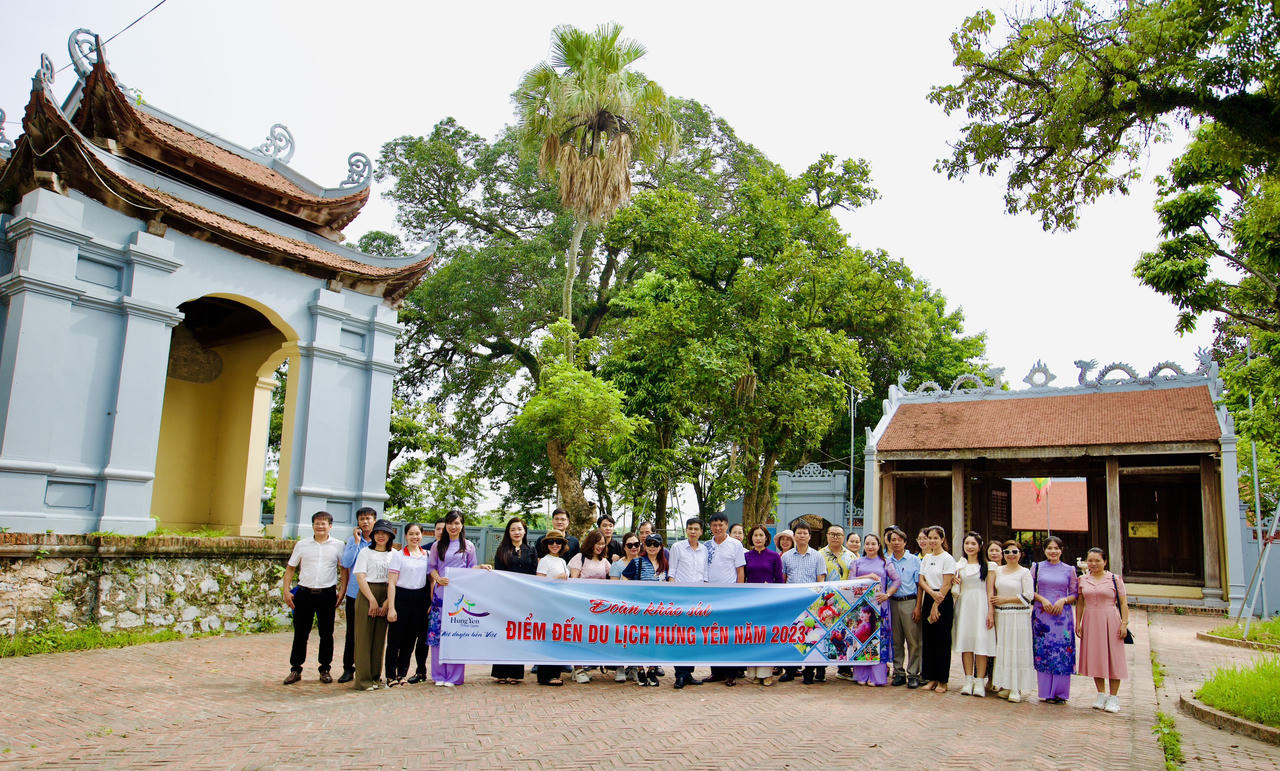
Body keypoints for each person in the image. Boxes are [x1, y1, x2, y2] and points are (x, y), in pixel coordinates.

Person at [281, 510, 345, 685]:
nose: (320, 526)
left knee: (326, 634)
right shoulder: (302, 544)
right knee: (300, 633)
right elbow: (291, 568)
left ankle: (325, 669)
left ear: (330, 526)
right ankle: (295, 669)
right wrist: (286, 591)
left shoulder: (338, 545)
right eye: (317, 523)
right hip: (304, 594)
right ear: (313, 525)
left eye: (324, 523)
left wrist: (342, 591)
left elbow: (343, 570)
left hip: (327, 594)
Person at [426, 510, 480, 687]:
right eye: (450, 523)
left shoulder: (468, 546)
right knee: (437, 635)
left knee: (456, 634)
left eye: (457, 523)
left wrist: (482, 568)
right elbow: (431, 568)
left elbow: (472, 568)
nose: (453, 526)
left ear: (462, 525)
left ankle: (455, 676)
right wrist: (438, 578)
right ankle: (438, 675)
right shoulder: (437, 545)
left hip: (459, 597)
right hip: (441, 595)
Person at [1077, 547, 1129, 713]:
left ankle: (1113, 698)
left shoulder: (1114, 579)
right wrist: (1078, 623)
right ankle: (1101, 694)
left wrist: (1124, 624)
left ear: (1105, 561)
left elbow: (1123, 603)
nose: (1094, 564)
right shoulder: (1083, 579)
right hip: (1090, 620)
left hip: (1110, 620)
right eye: (1090, 561)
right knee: (1095, 657)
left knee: (1114, 658)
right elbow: (1080, 602)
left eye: (1097, 560)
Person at [1031, 536, 1078, 704]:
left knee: (1062, 651)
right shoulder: (1037, 567)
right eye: (1049, 548)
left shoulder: (1069, 569)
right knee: (1043, 651)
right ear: (1044, 550)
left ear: (1061, 550)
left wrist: (1063, 600)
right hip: (1041, 616)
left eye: (1056, 548)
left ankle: (1060, 693)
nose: (1053, 551)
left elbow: (1075, 593)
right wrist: (1042, 599)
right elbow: (1028, 589)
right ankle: (1046, 692)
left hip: (1062, 616)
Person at [989, 540, 1036, 703]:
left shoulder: (1024, 572)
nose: (1011, 555)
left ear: (1020, 554)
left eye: (1014, 552)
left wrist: (1005, 599)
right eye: (1007, 552)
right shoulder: (998, 571)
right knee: (1004, 650)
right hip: (1001, 616)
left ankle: (1016, 687)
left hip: (1018, 616)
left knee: (1017, 649)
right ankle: (1006, 685)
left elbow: (1029, 596)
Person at [352, 519, 397, 691]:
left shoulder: (394, 554)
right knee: (364, 637)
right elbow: (360, 576)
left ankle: (375, 677)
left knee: (379, 639)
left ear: (390, 536)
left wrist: (387, 602)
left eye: (385, 533)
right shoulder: (365, 552)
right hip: (367, 593)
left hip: (387, 594)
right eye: (377, 533)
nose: (381, 536)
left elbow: (395, 579)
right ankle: (363, 680)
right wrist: (371, 600)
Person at [491, 517, 537, 684]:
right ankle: (501, 672)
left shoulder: (531, 550)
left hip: (524, 599)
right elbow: (499, 574)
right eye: (513, 529)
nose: (517, 532)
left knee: (518, 634)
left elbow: (533, 575)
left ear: (524, 531)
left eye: (519, 529)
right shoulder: (502, 550)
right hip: (506, 598)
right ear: (508, 532)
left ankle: (515, 673)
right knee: (504, 633)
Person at [780, 521, 827, 684]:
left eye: (805, 533)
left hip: (810, 603)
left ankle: (809, 672)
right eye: (799, 533)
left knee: (811, 637)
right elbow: (783, 579)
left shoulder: (817, 556)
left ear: (809, 536)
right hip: (791, 602)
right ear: (794, 536)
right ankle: (790, 671)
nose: (802, 536)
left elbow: (821, 580)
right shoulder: (786, 557)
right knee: (791, 635)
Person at [385, 522, 430, 687]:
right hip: (401, 598)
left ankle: (402, 674)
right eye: (411, 534)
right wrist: (391, 607)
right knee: (394, 640)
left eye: (417, 534)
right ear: (405, 536)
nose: (414, 537)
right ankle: (390, 675)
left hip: (419, 600)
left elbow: (432, 579)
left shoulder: (427, 555)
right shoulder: (398, 555)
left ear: (421, 535)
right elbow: (391, 583)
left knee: (410, 640)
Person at [850, 534, 900, 686]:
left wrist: (887, 594)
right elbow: (850, 580)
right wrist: (868, 576)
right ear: (864, 545)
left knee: (879, 640)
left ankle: (877, 676)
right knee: (862, 638)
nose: (870, 547)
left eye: (873, 544)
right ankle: (861, 675)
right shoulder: (857, 562)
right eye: (867, 544)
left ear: (879, 546)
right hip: (862, 607)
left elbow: (897, 580)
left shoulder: (885, 562)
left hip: (880, 607)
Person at [703, 512, 747, 686]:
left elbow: (740, 571)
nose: (717, 528)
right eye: (714, 525)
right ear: (710, 527)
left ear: (726, 525)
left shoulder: (735, 545)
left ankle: (731, 673)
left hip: (730, 596)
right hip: (711, 596)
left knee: (730, 635)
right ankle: (716, 672)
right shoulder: (706, 546)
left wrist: (738, 593)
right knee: (713, 634)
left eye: (720, 525)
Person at [622, 532, 669, 686]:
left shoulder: (665, 565)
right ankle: (640, 669)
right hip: (640, 610)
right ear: (645, 545)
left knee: (656, 640)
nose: (652, 547)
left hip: (659, 611)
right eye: (649, 544)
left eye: (655, 544)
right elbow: (624, 579)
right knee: (639, 640)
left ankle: (652, 670)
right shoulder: (637, 562)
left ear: (660, 547)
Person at [667, 518, 709, 688]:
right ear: (686, 530)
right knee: (680, 637)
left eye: (696, 529)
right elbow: (672, 572)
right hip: (681, 598)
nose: (692, 531)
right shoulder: (677, 547)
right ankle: (680, 675)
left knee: (693, 637)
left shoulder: (704, 550)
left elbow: (705, 574)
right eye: (690, 528)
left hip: (698, 600)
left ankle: (689, 672)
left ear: (701, 532)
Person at [953, 531, 996, 697]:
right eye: (967, 543)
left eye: (973, 544)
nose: (969, 547)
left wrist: (990, 612)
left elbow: (990, 591)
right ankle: (968, 680)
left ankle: (979, 682)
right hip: (964, 606)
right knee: (967, 644)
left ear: (979, 546)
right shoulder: (959, 566)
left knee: (981, 644)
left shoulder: (988, 566)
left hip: (981, 606)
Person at [336, 507, 376, 683]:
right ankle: (348, 668)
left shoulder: (380, 540)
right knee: (352, 633)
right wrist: (357, 542)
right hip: (355, 593)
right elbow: (345, 563)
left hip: (374, 593)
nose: (365, 522)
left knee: (371, 633)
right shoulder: (353, 540)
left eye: (368, 518)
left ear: (374, 520)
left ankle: (367, 668)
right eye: (361, 519)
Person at [568, 530, 612, 684]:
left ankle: (581, 667)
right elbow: (573, 581)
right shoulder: (579, 558)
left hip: (598, 607)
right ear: (590, 543)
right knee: (578, 635)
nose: (600, 546)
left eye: (603, 544)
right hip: (581, 605)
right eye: (597, 543)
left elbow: (614, 579)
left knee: (590, 637)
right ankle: (578, 668)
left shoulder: (604, 561)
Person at [917, 524, 956, 693]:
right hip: (930, 597)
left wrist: (936, 604)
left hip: (943, 600)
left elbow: (947, 583)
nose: (932, 541)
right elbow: (921, 580)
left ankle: (942, 680)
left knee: (942, 641)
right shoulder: (926, 558)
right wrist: (931, 595)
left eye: (935, 538)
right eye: (929, 538)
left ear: (942, 539)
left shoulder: (947, 558)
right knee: (929, 640)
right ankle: (930, 678)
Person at [743, 525, 783, 686]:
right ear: (751, 538)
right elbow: (743, 578)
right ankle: (754, 672)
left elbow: (779, 580)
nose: (758, 538)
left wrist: (772, 590)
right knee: (753, 635)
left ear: (766, 538)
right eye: (755, 535)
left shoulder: (774, 557)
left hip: (769, 602)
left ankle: (766, 673)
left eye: (761, 535)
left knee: (766, 636)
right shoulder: (746, 556)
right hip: (751, 602)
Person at [884, 526, 922, 688]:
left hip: (909, 602)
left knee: (913, 640)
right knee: (896, 640)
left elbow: (919, 585)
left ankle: (913, 673)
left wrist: (918, 607)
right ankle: (898, 672)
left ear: (905, 542)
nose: (896, 543)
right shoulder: (886, 560)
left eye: (899, 540)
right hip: (892, 602)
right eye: (893, 540)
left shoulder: (914, 560)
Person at [819, 524, 853, 681]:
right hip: (825, 602)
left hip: (845, 602)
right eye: (832, 534)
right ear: (827, 536)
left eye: (838, 534)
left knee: (843, 634)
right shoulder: (819, 555)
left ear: (843, 537)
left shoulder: (851, 556)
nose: (835, 537)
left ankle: (844, 668)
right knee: (824, 635)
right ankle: (820, 670)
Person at [982, 537, 1006, 693]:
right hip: (986, 609)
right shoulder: (983, 569)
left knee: (1002, 645)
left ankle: (1002, 679)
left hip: (1004, 610)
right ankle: (990, 678)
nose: (994, 553)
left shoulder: (1006, 569)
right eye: (991, 550)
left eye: (997, 550)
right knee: (989, 644)